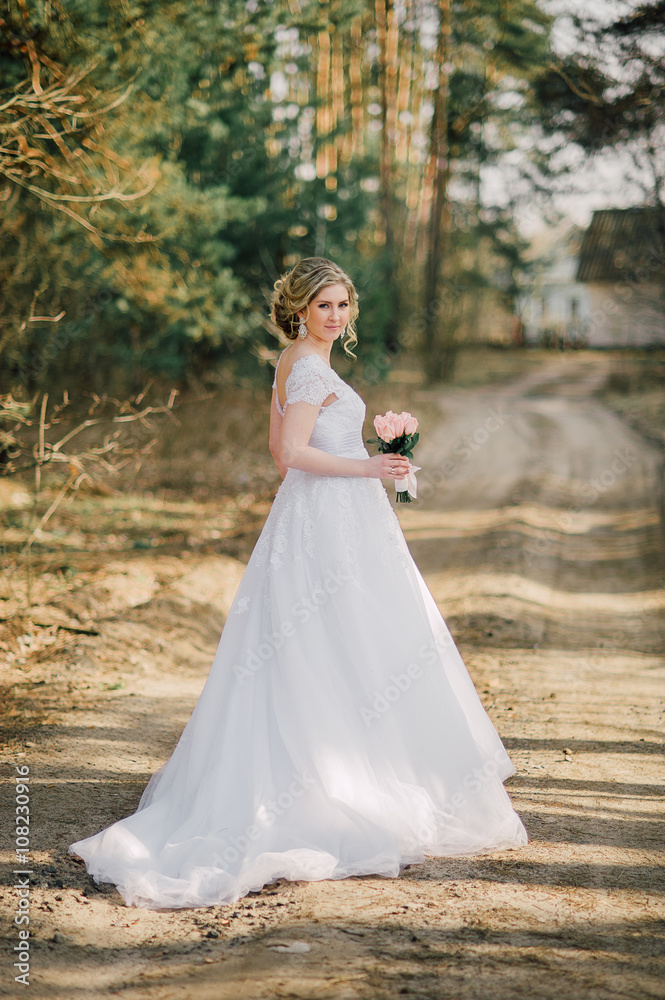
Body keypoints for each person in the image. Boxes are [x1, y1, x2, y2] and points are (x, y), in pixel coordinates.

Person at [69, 257, 528, 910]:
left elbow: (277, 447)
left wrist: (372, 463)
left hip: (318, 515)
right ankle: (333, 787)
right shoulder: (309, 367)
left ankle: (333, 769)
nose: (335, 316)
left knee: (331, 645)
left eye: (342, 305)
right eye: (323, 307)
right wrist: (367, 465)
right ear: (300, 310)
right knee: (343, 644)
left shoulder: (292, 362)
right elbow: (289, 454)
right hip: (328, 521)